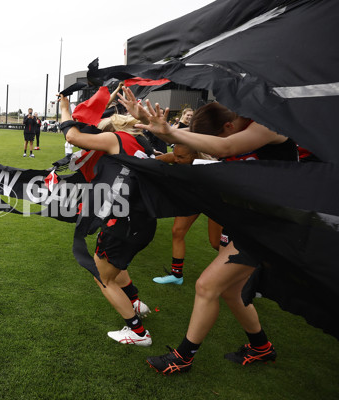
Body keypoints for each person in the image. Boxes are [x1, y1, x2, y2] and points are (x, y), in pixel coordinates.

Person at [119, 87, 297, 374]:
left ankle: (183, 357)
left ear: (228, 126)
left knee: (206, 286)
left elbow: (224, 148)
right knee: (231, 292)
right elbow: (203, 147)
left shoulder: (268, 125)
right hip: (252, 222)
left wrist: (171, 132)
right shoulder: (230, 129)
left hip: (273, 225)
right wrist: (159, 130)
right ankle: (261, 347)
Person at [60, 94, 156, 346]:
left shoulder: (118, 138)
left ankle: (137, 332)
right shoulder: (143, 145)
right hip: (142, 221)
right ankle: (135, 301)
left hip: (122, 223)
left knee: (102, 276)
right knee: (115, 264)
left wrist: (64, 108)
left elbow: (72, 136)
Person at [152, 144, 222, 285]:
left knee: (216, 243)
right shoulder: (174, 157)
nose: (176, 159)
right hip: (194, 201)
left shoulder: (211, 167)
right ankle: (177, 275)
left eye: (181, 157)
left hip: (215, 202)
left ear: (194, 156)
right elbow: (152, 162)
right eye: (175, 155)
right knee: (177, 231)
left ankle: (246, 270)